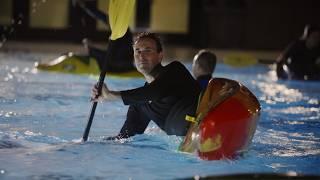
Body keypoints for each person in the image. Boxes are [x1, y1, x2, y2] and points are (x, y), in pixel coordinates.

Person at [91, 32, 201, 140]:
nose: (141, 56)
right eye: (137, 51)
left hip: (203, 123)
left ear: (160, 56)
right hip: (186, 141)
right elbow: (124, 137)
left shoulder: (176, 71)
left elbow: (155, 91)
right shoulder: (140, 103)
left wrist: (111, 95)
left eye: (148, 51)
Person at [73, 0, 135, 72]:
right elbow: (100, 16)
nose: (107, 19)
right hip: (118, 60)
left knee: (93, 54)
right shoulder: (116, 24)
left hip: (119, 66)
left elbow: (112, 57)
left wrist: (91, 47)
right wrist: (84, 6)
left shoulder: (120, 30)